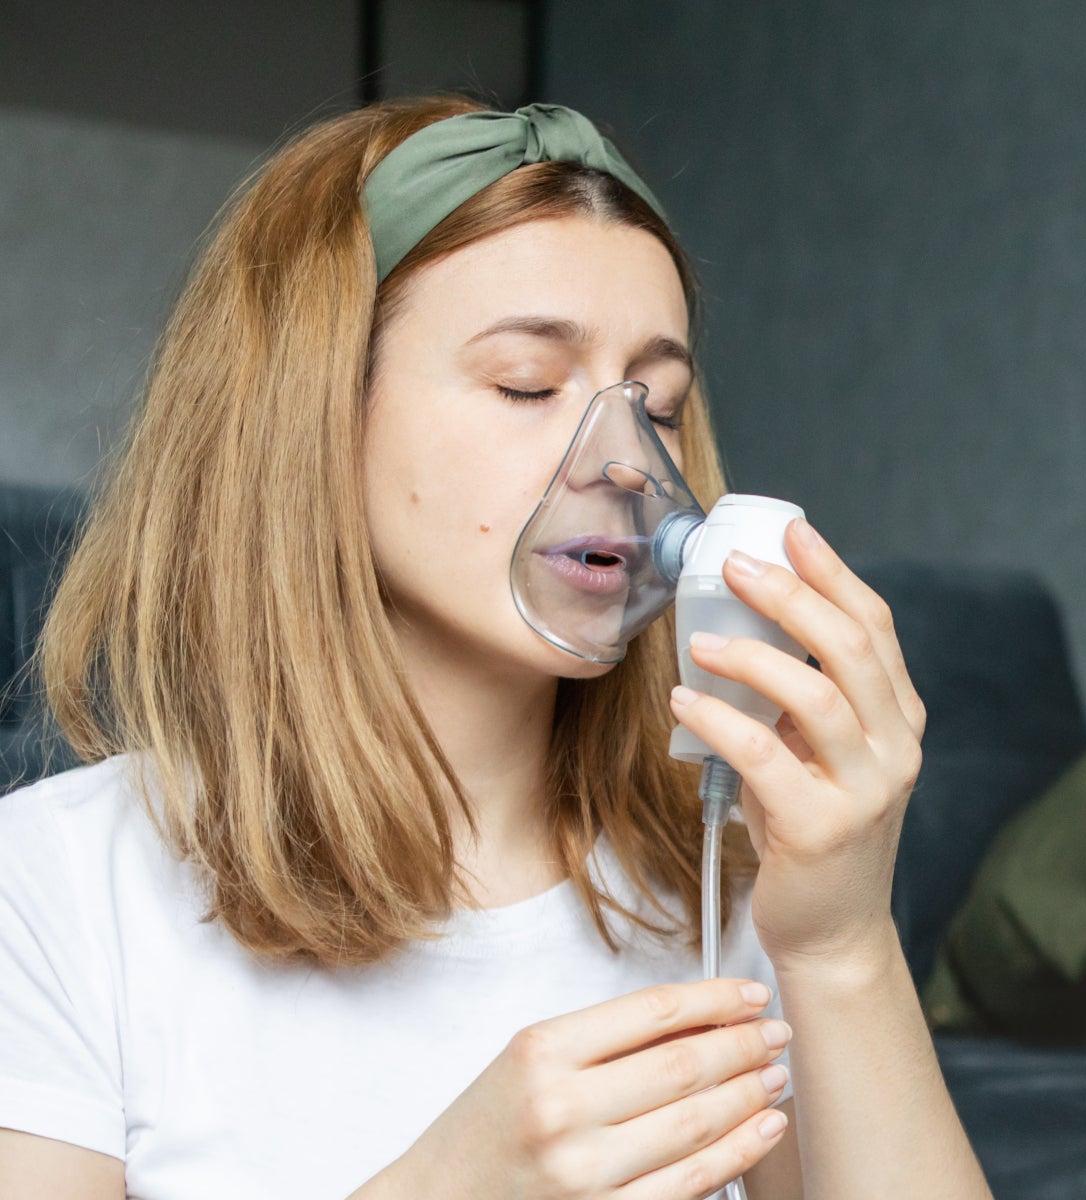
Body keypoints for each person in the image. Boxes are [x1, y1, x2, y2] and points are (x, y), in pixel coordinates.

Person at [0, 94, 993, 1200]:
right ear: (310, 416)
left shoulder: (731, 879)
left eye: (653, 405)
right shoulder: (58, 889)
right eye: (526, 383)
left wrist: (842, 945)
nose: (625, 462)